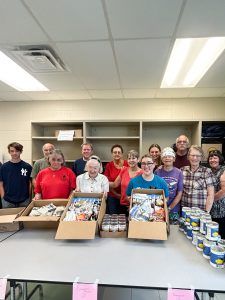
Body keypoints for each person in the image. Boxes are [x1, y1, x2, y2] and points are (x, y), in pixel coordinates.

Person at [181, 145, 214, 212]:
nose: (195, 158)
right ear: (188, 157)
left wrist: (206, 212)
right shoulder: (182, 170)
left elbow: (211, 194)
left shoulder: (207, 171)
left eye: (198, 156)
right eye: (192, 155)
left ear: (201, 158)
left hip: (200, 212)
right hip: (184, 211)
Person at [155, 147, 183, 224]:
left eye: (170, 156)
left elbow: (179, 193)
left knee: (174, 230)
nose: (167, 158)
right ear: (162, 159)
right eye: (165, 156)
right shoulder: (157, 171)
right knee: (159, 228)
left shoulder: (179, 172)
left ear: (174, 159)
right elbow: (154, 190)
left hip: (174, 208)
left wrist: (169, 208)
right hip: (159, 206)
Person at [109, 150, 142, 215]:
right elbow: (115, 184)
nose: (131, 160)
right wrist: (102, 182)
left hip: (136, 206)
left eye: (133, 158)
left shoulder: (142, 173)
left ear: (138, 160)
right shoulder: (124, 170)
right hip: (122, 205)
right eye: (129, 158)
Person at [0, 142, 32, 208]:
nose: (14, 153)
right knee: (8, 218)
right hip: (7, 201)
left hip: (24, 200)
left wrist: (28, 197)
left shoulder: (27, 166)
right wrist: (3, 197)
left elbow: (30, 183)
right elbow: (1, 183)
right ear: (9, 152)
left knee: (23, 218)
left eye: (17, 151)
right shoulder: (3, 167)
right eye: (12, 151)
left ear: (21, 152)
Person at [104, 144, 128, 214]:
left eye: (119, 152)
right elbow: (106, 182)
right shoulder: (109, 165)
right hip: (113, 196)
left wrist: (123, 195)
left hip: (126, 197)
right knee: (113, 216)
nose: (117, 154)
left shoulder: (127, 164)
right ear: (112, 154)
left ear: (122, 154)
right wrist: (117, 195)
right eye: (115, 152)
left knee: (125, 217)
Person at [208, 150, 225, 239]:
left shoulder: (223, 170)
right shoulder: (209, 171)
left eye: (215, 158)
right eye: (210, 158)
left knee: (219, 234)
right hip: (210, 208)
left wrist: (211, 199)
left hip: (220, 209)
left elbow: (223, 191)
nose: (212, 160)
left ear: (220, 159)